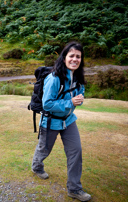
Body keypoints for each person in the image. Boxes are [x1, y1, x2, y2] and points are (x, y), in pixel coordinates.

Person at [31, 41, 91, 201]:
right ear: (64, 57)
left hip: (69, 120)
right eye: (72, 56)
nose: (75, 59)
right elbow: (47, 104)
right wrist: (70, 102)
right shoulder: (54, 78)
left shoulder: (78, 76)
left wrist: (78, 100)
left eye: (78, 56)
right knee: (44, 149)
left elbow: (80, 97)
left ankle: (74, 189)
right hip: (50, 121)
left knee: (75, 151)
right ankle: (36, 166)